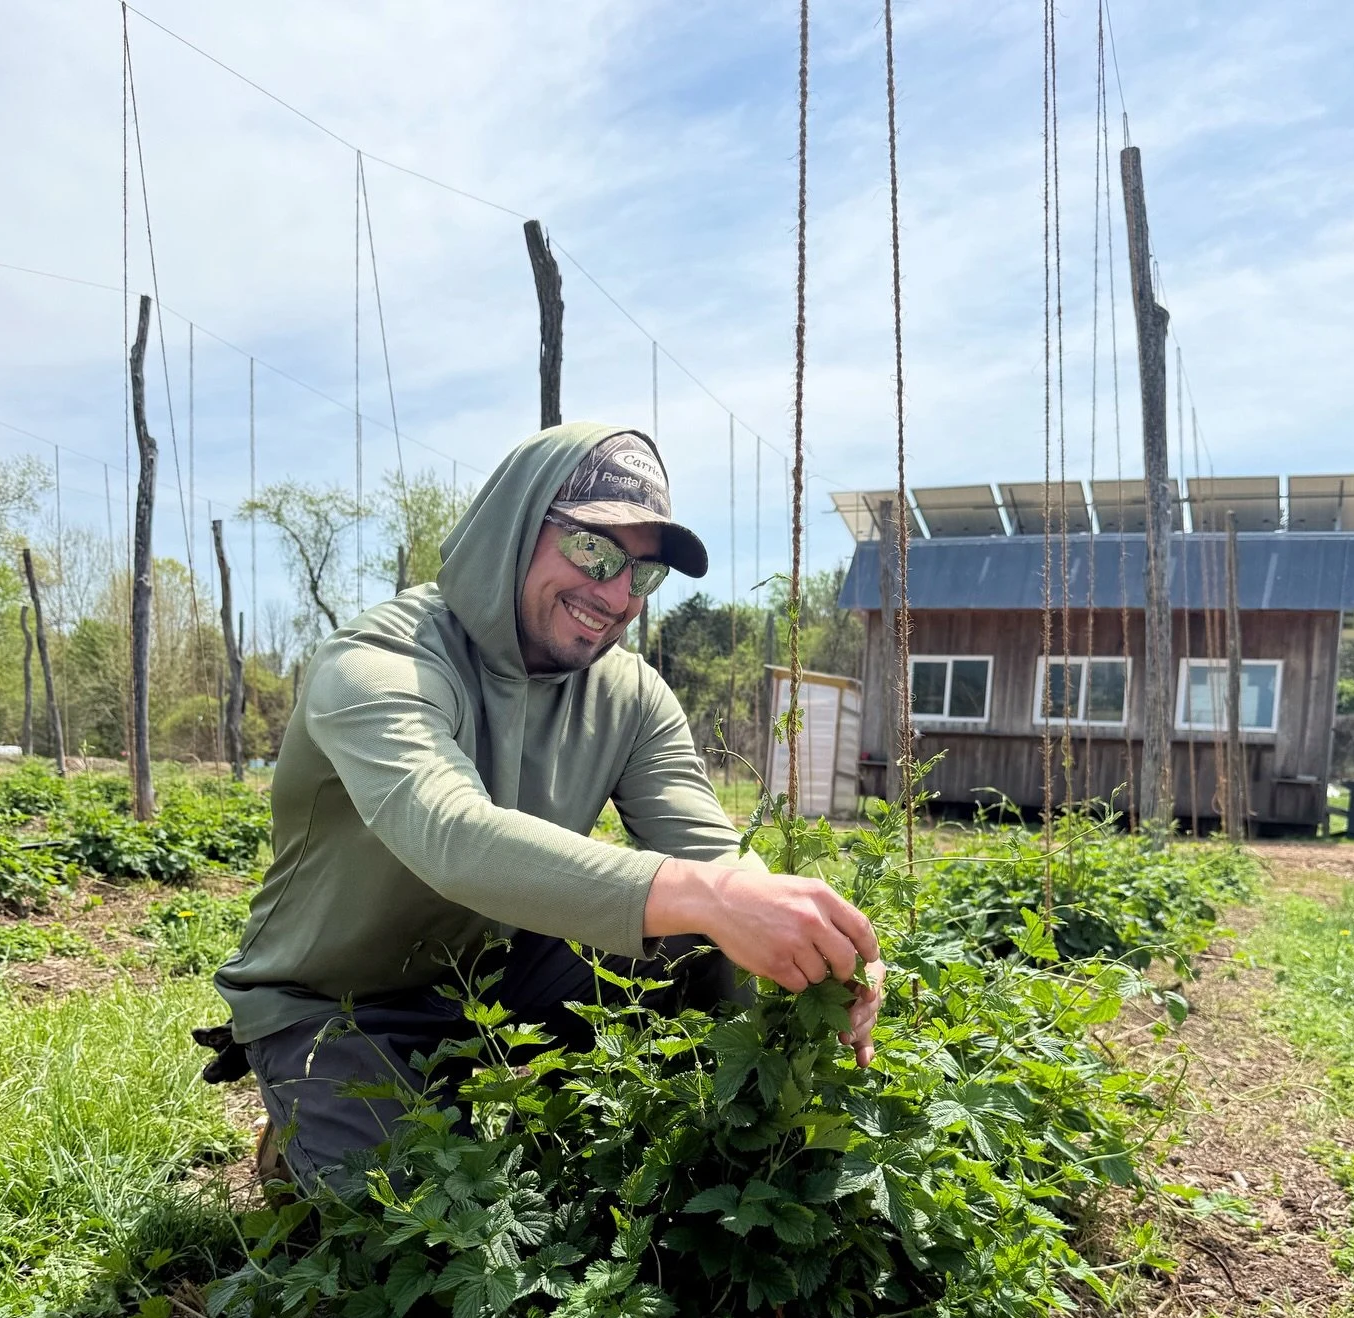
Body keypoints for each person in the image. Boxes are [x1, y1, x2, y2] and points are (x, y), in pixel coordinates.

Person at [210, 422, 883, 1188]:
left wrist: (819, 952)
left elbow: (713, 855)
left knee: (706, 932)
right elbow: (449, 833)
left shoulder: (629, 695)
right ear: (517, 526)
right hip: (340, 995)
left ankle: (678, 1150)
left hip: (501, 973)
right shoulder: (381, 660)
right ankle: (301, 1139)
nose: (615, 594)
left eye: (642, 574)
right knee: (407, 1233)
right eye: (593, 550)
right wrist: (713, 895)